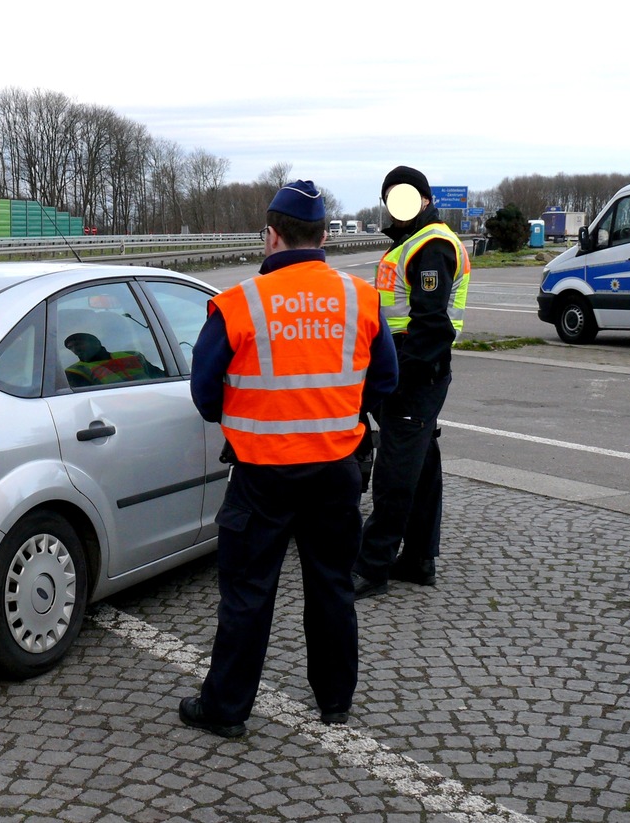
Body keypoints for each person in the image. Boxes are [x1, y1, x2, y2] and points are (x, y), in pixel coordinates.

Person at [178, 180, 398, 738]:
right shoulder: (361, 298)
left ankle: (226, 710)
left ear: (271, 235)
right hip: (335, 470)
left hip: (261, 476)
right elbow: (386, 381)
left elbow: (205, 396)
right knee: (331, 586)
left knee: (248, 595)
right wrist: (338, 413)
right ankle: (335, 702)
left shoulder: (237, 304)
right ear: (324, 235)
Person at [352, 166, 471, 600]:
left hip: (415, 371)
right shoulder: (411, 242)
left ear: (423, 199)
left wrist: (398, 378)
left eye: (403, 197)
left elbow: (431, 325)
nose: (395, 206)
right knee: (421, 468)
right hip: (409, 367)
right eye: (390, 198)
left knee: (395, 473)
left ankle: (371, 567)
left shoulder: (432, 245)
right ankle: (419, 559)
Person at [62, 332, 164, 387]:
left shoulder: (133, 355)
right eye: (71, 347)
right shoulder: (75, 371)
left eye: (79, 343)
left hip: (154, 397)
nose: (75, 349)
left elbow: (160, 376)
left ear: (96, 343)